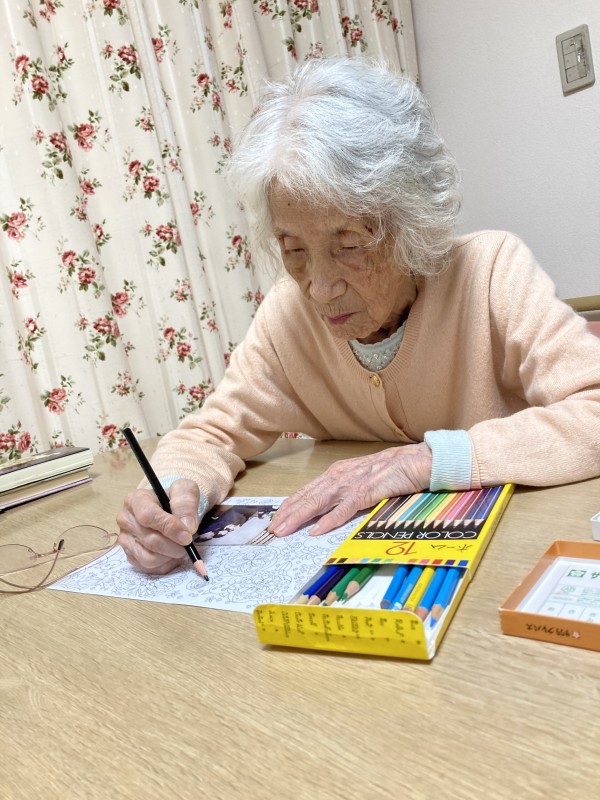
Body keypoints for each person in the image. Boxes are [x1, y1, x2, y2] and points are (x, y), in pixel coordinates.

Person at [117, 56, 600, 575]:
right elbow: (210, 434)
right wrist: (173, 494)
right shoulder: (287, 314)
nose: (319, 288)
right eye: (293, 249)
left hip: (510, 558)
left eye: (349, 245)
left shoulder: (490, 272)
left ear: (411, 223)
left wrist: (426, 460)